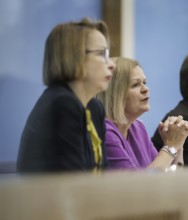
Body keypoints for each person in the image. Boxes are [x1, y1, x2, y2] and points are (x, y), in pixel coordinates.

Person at [17, 17, 115, 173]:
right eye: (101, 53)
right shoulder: (62, 104)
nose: (111, 64)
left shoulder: (94, 108)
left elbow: (101, 175)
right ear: (74, 57)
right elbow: (72, 184)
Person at [97, 57, 188, 170]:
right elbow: (138, 185)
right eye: (135, 85)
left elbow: (167, 178)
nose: (146, 89)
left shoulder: (138, 127)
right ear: (114, 94)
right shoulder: (105, 131)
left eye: (144, 82)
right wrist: (171, 146)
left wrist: (178, 145)